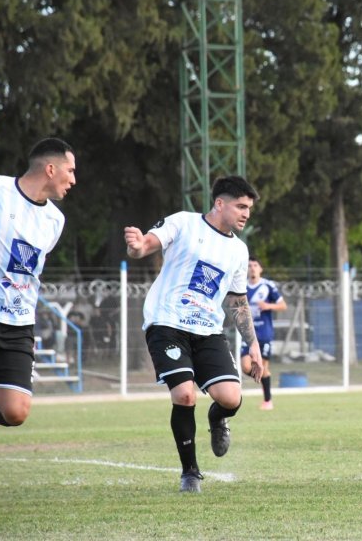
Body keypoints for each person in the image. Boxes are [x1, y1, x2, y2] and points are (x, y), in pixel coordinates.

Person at [124, 175, 263, 493]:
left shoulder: (239, 252)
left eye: (249, 209)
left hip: (208, 331)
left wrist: (252, 344)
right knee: (184, 394)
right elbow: (146, 245)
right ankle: (190, 473)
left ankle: (218, 420)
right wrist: (136, 247)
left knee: (231, 399)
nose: (246, 214)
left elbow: (238, 302)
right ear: (220, 203)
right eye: (240, 206)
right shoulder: (184, 223)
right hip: (167, 324)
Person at [0, 137, 76, 460]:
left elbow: (29, 275)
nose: (74, 179)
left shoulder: (55, 221)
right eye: (70, 170)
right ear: (50, 169)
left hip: (18, 323)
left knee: (16, 411)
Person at [242, 257, 287, 410]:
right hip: (248, 334)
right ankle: (265, 379)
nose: (252, 268)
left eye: (255, 265)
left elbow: (283, 305)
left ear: (260, 269)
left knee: (264, 367)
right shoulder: (241, 286)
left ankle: (267, 401)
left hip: (264, 333)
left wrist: (268, 306)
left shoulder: (267, 286)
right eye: (249, 266)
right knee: (245, 366)